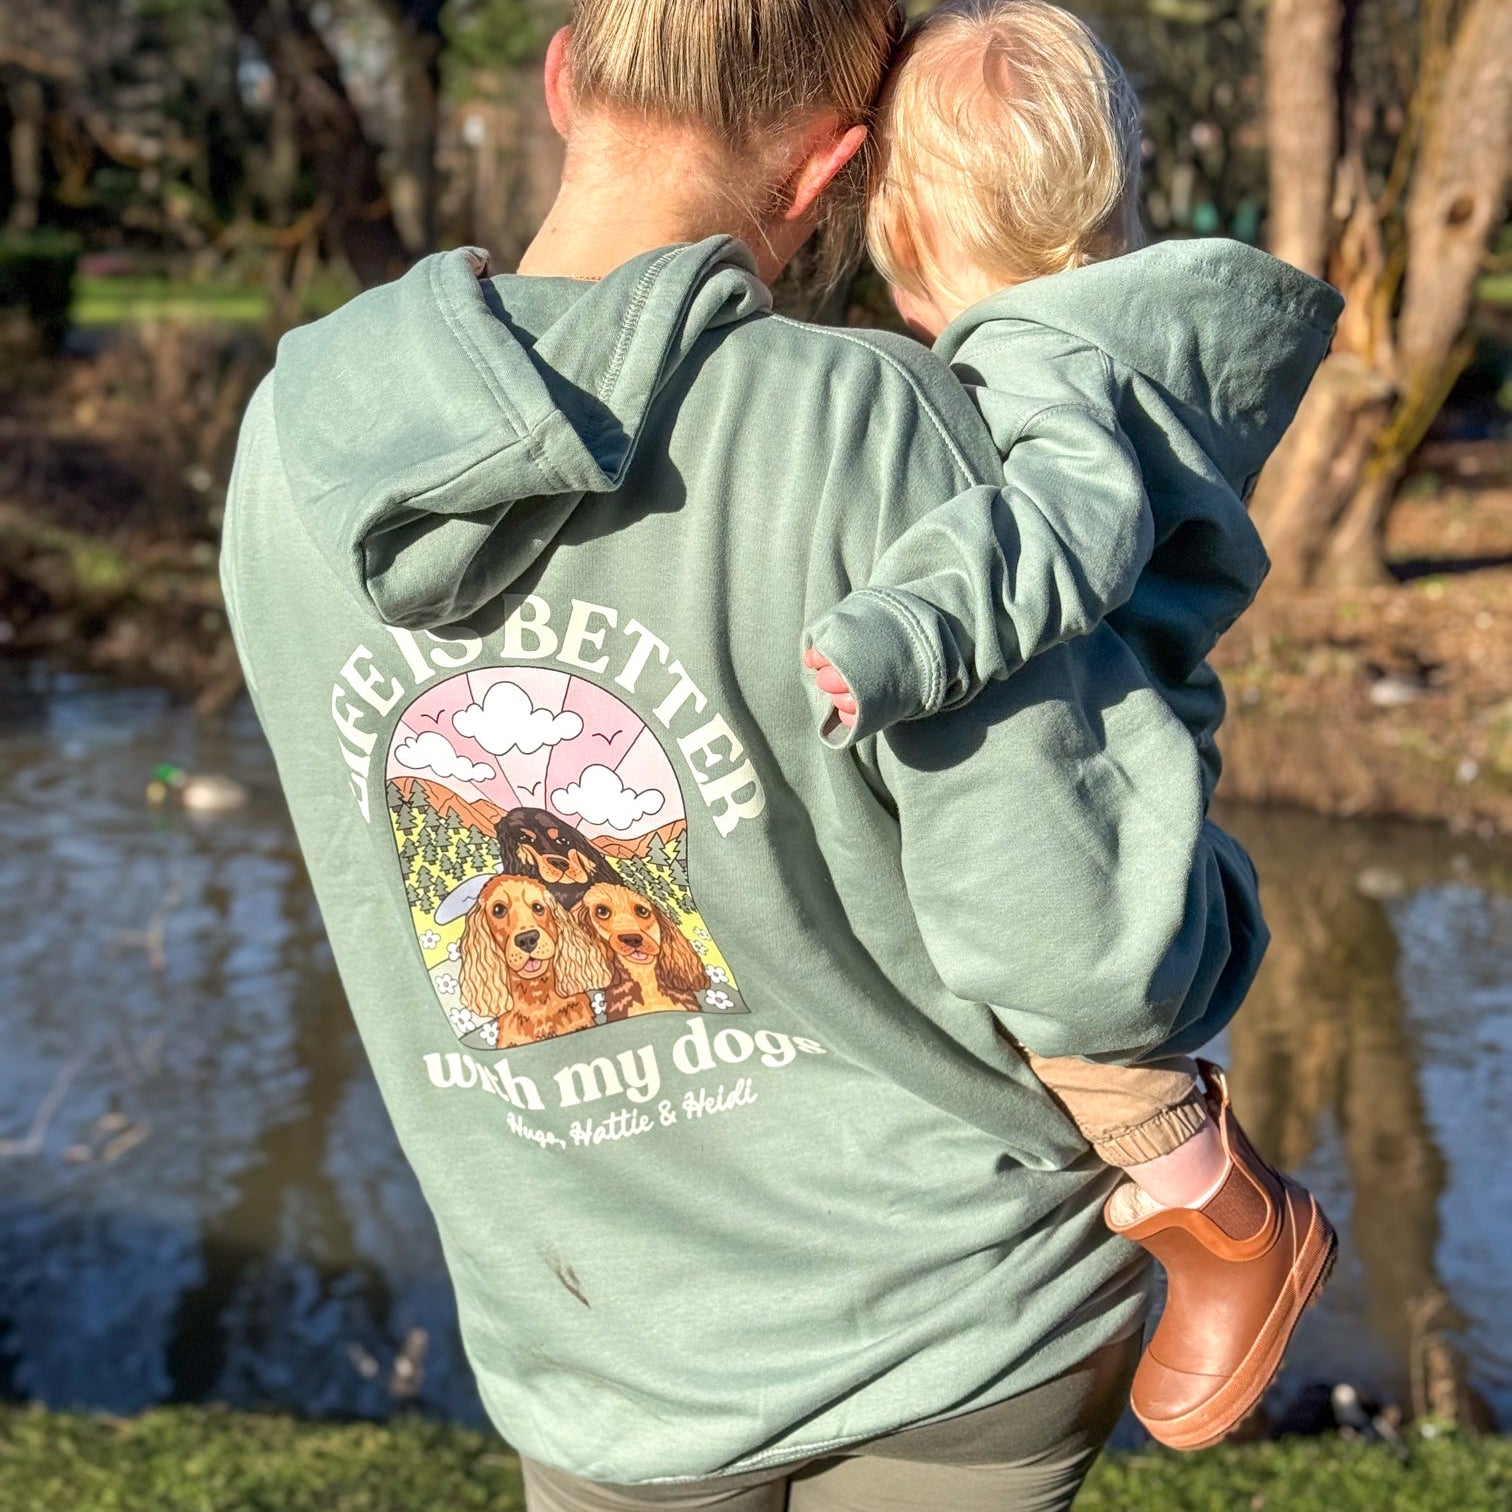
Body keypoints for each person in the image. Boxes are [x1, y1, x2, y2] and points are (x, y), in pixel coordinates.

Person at [222, 2, 1259, 1507]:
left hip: (591, 1344)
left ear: (569, 80)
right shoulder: (871, 420)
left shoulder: (294, 447)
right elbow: (1087, 947)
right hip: (956, 1321)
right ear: (830, 172)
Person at [802, 1, 1342, 1449]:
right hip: (1132, 734)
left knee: (1033, 930)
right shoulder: (1096, 344)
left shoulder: (1044, 367)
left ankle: (1222, 1209)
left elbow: (1062, 524)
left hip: (1096, 781)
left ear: (900, 226)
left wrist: (894, 633)